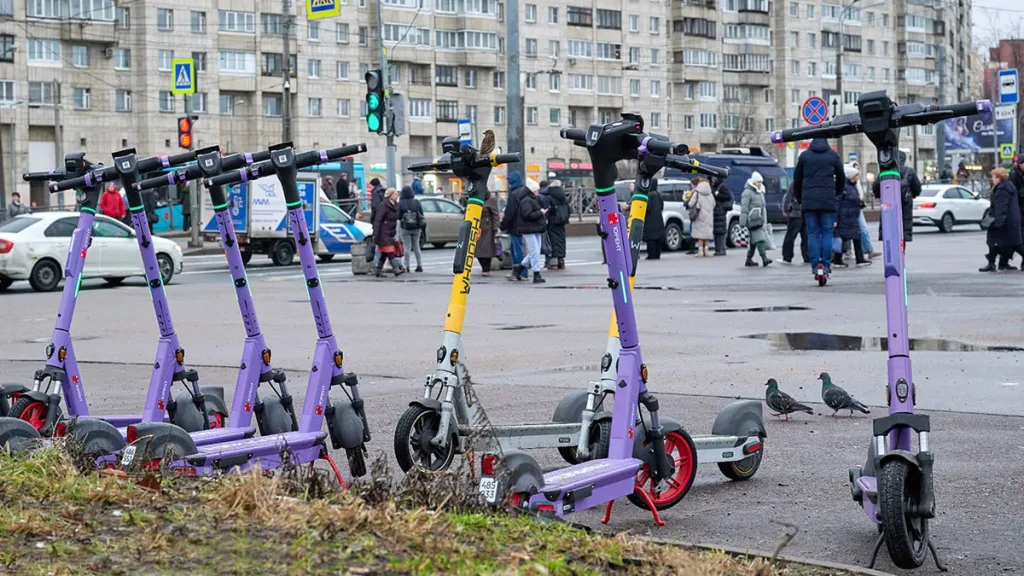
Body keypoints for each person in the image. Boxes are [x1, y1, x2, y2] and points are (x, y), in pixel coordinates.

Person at [794, 137, 844, 275]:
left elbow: (797, 179)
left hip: (809, 202)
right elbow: (841, 177)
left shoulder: (804, 156)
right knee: (827, 233)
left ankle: (816, 265)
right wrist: (837, 193)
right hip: (828, 201)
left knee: (813, 233)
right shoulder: (833, 156)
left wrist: (799, 198)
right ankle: (826, 265)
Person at [872, 151, 921, 243]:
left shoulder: (885, 172)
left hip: (888, 203)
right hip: (905, 204)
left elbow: (876, 186)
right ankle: (901, 252)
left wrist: (879, 195)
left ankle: (890, 250)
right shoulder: (909, 171)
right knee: (903, 229)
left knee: (888, 227)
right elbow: (917, 188)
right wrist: (912, 195)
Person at [980, 168, 1022, 272]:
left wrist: (997, 223)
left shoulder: (1002, 189)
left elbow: (1001, 207)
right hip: (1010, 221)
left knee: (997, 242)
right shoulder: (1008, 186)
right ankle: (997, 263)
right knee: (1011, 243)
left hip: (1003, 221)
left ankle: (992, 263)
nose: (992, 179)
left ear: (999, 178)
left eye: (993, 177)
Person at [511, 178, 547, 283]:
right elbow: (527, 214)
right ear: (532, 190)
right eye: (536, 190)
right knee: (535, 251)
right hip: (529, 228)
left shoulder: (531, 199)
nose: (538, 192)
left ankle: (520, 267)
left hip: (534, 228)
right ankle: (536, 273)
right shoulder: (527, 200)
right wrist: (540, 213)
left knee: (535, 251)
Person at [835, 166, 872, 267]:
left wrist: (859, 203)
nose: (858, 177)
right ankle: (837, 260)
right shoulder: (844, 187)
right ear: (851, 176)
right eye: (856, 175)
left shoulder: (852, 186)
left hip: (851, 217)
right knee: (843, 239)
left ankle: (859, 259)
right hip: (845, 217)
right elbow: (838, 202)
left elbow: (852, 199)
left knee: (856, 237)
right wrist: (836, 218)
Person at [740, 171, 773, 267]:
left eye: (760, 182)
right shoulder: (747, 193)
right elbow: (744, 208)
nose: (760, 184)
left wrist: (765, 221)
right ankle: (764, 258)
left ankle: (748, 259)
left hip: (759, 220)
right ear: (753, 182)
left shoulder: (760, 192)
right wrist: (742, 222)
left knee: (753, 242)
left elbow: (763, 208)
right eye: (758, 182)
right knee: (759, 239)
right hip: (752, 220)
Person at [501, 172, 530, 281]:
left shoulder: (514, 194)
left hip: (516, 226)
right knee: (518, 249)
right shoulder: (525, 191)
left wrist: (503, 225)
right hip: (524, 225)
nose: (508, 183)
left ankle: (521, 272)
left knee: (517, 250)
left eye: (509, 181)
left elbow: (509, 213)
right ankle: (517, 272)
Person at [372, 188, 406, 277]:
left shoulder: (396, 205)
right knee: (390, 250)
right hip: (383, 231)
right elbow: (378, 220)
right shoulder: (383, 205)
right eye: (395, 194)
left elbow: (398, 216)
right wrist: (376, 233)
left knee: (384, 252)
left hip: (391, 231)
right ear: (390, 196)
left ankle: (378, 271)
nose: (397, 196)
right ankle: (396, 269)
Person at [543, 179, 570, 270]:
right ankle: (561, 261)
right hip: (562, 222)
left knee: (552, 240)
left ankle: (553, 262)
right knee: (561, 240)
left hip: (552, 222)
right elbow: (569, 209)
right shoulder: (563, 197)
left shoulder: (549, 197)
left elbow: (547, 210)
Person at [397, 185, 424, 272]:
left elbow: (398, 216)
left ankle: (407, 266)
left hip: (405, 228)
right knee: (416, 246)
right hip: (416, 227)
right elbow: (421, 214)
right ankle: (419, 265)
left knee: (407, 247)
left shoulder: (401, 203)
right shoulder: (416, 202)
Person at [686, 178, 715, 257]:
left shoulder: (697, 193)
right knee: (707, 235)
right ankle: (706, 251)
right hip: (709, 217)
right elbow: (714, 204)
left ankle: (700, 251)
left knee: (700, 236)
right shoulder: (711, 194)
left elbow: (691, 204)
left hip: (699, 216)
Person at [780, 182, 808, 264]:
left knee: (790, 236)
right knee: (806, 236)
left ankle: (787, 257)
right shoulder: (808, 182)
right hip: (806, 212)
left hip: (795, 213)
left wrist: (785, 209)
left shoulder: (794, 183)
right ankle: (807, 256)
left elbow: (788, 197)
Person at [476, 189, 501, 276]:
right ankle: (484, 268)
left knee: (487, 249)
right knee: (477, 249)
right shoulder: (474, 198)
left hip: (488, 227)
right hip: (477, 226)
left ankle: (486, 269)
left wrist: (495, 227)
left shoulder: (491, 200)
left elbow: (495, 214)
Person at [643, 178, 665, 260]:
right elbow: (662, 206)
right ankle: (657, 254)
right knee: (657, 239)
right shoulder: (658, 194)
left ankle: (651, 255)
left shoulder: (649, 195)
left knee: (651, 239)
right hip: (658, 219)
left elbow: (647, 207)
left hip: (650, 220)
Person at [368, 178, 386, 269]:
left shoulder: (375, 193)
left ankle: (376, 265)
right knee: (387, 244)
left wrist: (372, 220)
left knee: (377, 242)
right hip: (386, 221)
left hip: (378, 221)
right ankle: (397, 264)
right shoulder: (384, 192)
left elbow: (375, 208)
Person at [711, 177, 733, 256]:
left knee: (720, 231)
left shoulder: (722, 187)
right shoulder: (714, 186)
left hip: (720, 212)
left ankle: (721, 249)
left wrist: (717, 195)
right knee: (717, 231)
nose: (713, 180)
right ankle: (718, 249)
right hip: (717, 212)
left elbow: (728, 196)